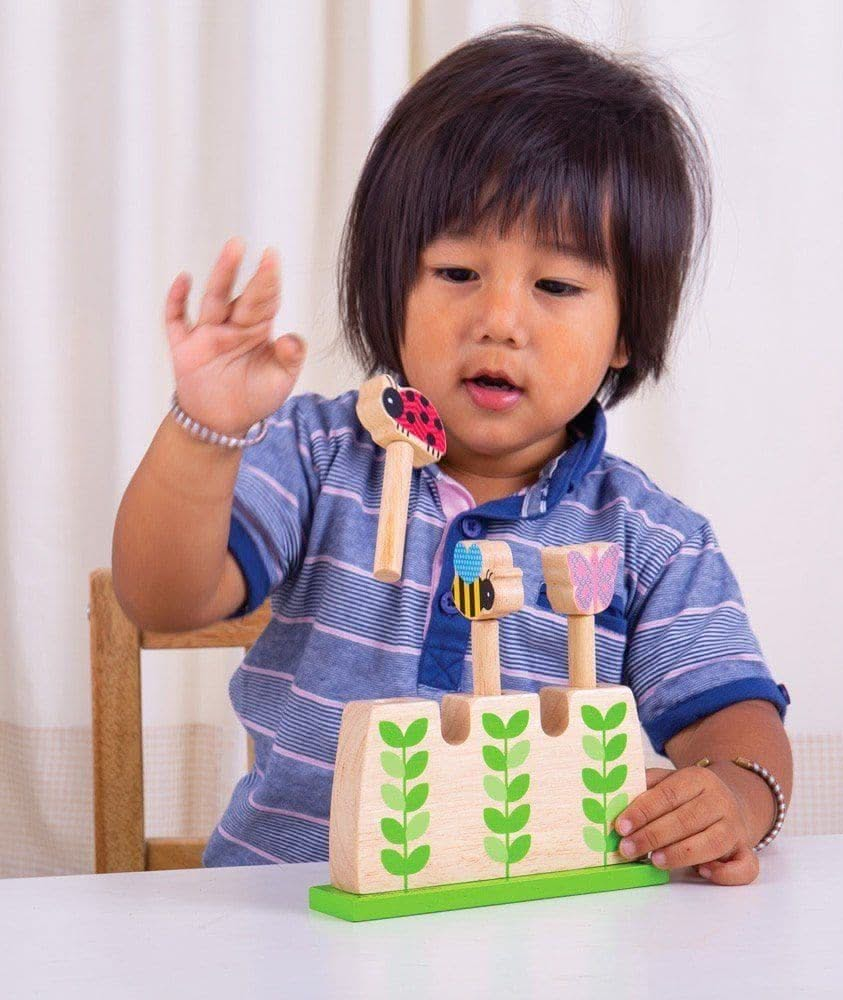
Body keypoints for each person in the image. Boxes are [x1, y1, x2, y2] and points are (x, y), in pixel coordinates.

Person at [112, 24, 792, 886]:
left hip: (538, 935)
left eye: (557, 286)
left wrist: (734, 796)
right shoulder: (317, 456)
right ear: (391, 279)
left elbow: (737, 716)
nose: (501, 319)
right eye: (458, 272)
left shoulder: (652, 541)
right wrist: (204, 429)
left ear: (627, 331)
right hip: (287, 922)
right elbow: (162, 595)